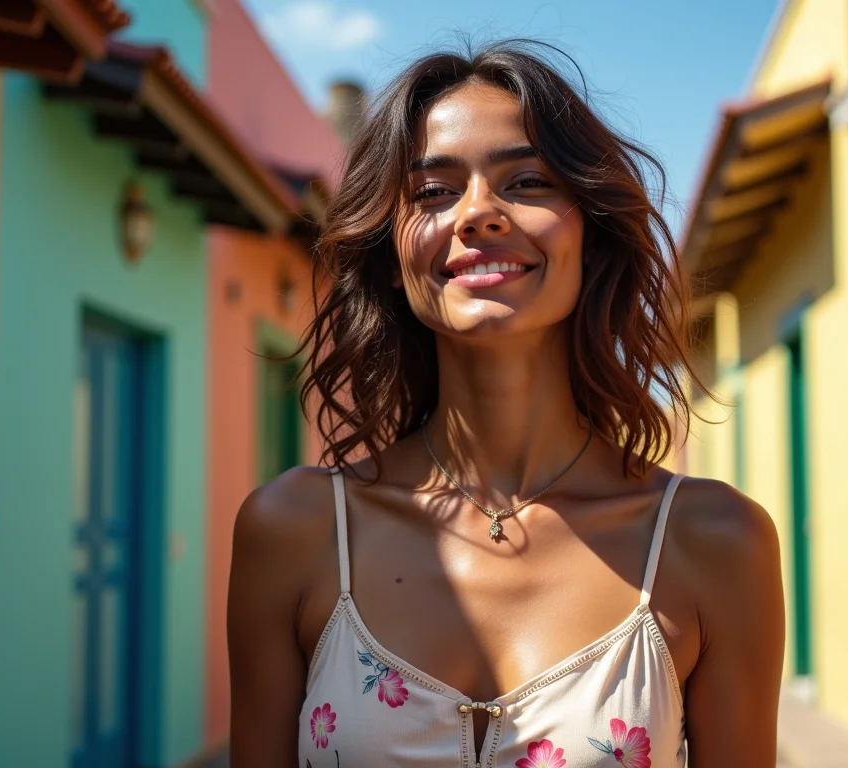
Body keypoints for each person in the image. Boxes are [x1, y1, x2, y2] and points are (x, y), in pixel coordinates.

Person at [227, 40, 785, 768]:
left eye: (526, 182)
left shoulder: (713, 542)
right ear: (393, 260)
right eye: (432, 192)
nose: (478, 213)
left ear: (591, 235)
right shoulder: (293, 533)